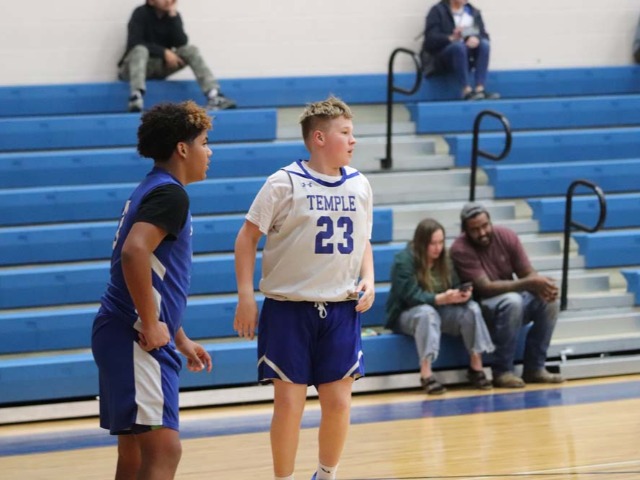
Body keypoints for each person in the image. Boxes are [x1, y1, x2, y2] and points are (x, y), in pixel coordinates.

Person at [233, 96, 375, 480]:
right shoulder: (283, 183)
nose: (353, 140)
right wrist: (246, 296)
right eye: (345, 132)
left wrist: (369, 277)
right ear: (319, 138)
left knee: (339, 402)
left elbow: (363, 239)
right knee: (289, 405)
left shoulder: (360, 185)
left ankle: (326, 475)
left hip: (341, 308)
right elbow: (246, 238)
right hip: (289, 309)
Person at [91, 101, 213, 480]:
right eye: (204, 142)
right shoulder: (171, 195)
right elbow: (134, 253)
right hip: (133, 335)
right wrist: (149, 322)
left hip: (119, 331)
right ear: (182, 148)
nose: (209, 152)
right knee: (164, 449)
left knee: (135, 453)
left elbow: (154, 273)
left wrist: (178, 336)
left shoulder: (152, 188)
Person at [450, 202, 565, 388]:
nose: (482, 233)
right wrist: (529, 283)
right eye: (475, 230)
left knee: (549, 302)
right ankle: (502, 371)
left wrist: (543, 287)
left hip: (511, 302)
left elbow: (527, 273)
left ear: (490, 222)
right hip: (481, 309)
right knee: (513, 301)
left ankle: (535, 368)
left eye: (485, 226)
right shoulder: (460, 249)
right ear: (465, 230)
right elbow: (485, 287)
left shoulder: (506, 236)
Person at [386, 218, 494, 395]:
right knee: (427, 313)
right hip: (407, 314)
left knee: (472, 309)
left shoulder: (446, 259)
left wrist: (462, 295)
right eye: (432, 243)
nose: (438, 248)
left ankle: (476, 367)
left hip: (441, 310)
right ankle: (426, 373)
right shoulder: (403, 261)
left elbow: (456, 284)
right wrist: (440, 298)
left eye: (441, 242)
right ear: (421, 243)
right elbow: (411, 297)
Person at [118, 0, 236, 113]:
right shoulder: (140, 13)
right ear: (151, 1)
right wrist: (164, 52)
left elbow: (181, 43)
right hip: (132, 69)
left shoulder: (173, 16)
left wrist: (173, 17)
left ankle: (214, 95)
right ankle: (135, 97)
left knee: (190, 50)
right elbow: (134, 42)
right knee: (140, 50)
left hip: (158, 67)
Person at [420, 0, 499, 100]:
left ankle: (480, 89)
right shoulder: (438, 11)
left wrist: (475, 38)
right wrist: (451, 38)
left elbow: (483, 34)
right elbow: (430, 40)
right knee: (458, 46)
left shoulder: (472, 11)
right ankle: (466, 90)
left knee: (484, 44)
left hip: (467, 54)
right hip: (443, 56)